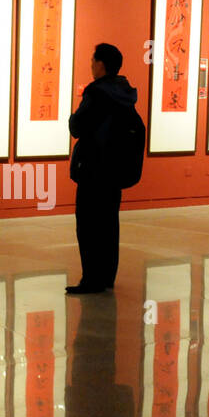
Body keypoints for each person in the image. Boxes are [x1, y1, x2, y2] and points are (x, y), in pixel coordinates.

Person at [66, 43, 139, 295]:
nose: (90, 64)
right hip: (114, 170)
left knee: (87, 224)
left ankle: (91, 279)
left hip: (93, 168)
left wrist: (73, 119)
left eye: (92, 59)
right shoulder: (124, 91)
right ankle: (107, 276)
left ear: (101, 64)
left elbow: (78, 126)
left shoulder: (97, 92)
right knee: (109, 222)